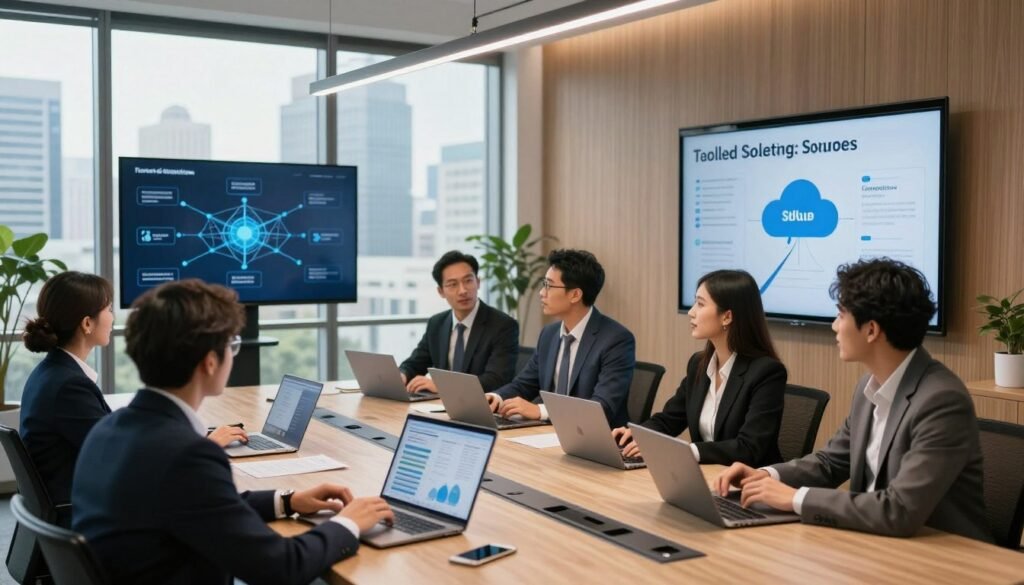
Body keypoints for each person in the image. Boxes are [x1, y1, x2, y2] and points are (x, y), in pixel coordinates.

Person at [72, 280, 394, 585]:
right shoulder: (186, 454)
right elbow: (282, 568)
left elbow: (203, 505)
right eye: (231, 343)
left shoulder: (111, 427)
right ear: (210, 362)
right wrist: (349, 523)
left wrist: (288, 500)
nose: (233, 353)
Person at [714, 258, 992, 542]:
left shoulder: (941, 401)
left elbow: (900, 510)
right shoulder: (868, 387)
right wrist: (766, 476)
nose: (834, 326)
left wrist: (796, 498)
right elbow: (829, 463)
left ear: (871, 330)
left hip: (945, 557)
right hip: (875, 542)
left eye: (841, 315)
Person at [19, 272, 247, 511]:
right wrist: (205, 445)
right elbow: (122, 459)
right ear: (87, 323)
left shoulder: (51, 372)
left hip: (76, 497)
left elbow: (113, 442)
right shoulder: (68, 386)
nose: (112, 317)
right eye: (108, 309)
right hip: (84, 509)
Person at [613, 270, 786, 466]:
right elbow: (670, 419)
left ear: (727, 317)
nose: (691, 312)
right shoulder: (699, 364)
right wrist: (638, 434)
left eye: (700, 304)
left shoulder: (767, 372)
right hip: (706, 478)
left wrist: (686, 451)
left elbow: (749, 447)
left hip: (749, 485)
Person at [486, 249, 636, 428]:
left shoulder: (616, 340)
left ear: (575, 295)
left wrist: (540, 411)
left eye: (549, 285)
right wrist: (496, 397)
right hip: (548, 435)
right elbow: (524, 384)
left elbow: (601, 407)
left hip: (595, 441)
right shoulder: (549, 334)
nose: (542, 293)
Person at [399, 250, 519, 393]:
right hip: (440, 407)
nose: (462, 291)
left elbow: (496, 379)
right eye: (452, 284)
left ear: (478, 282)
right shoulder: (437, 324)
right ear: (441, 291)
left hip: (482, 408)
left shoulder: (503, 325)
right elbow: (416, 362)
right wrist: (402, 375)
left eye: (468, 281)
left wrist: (444, 387)